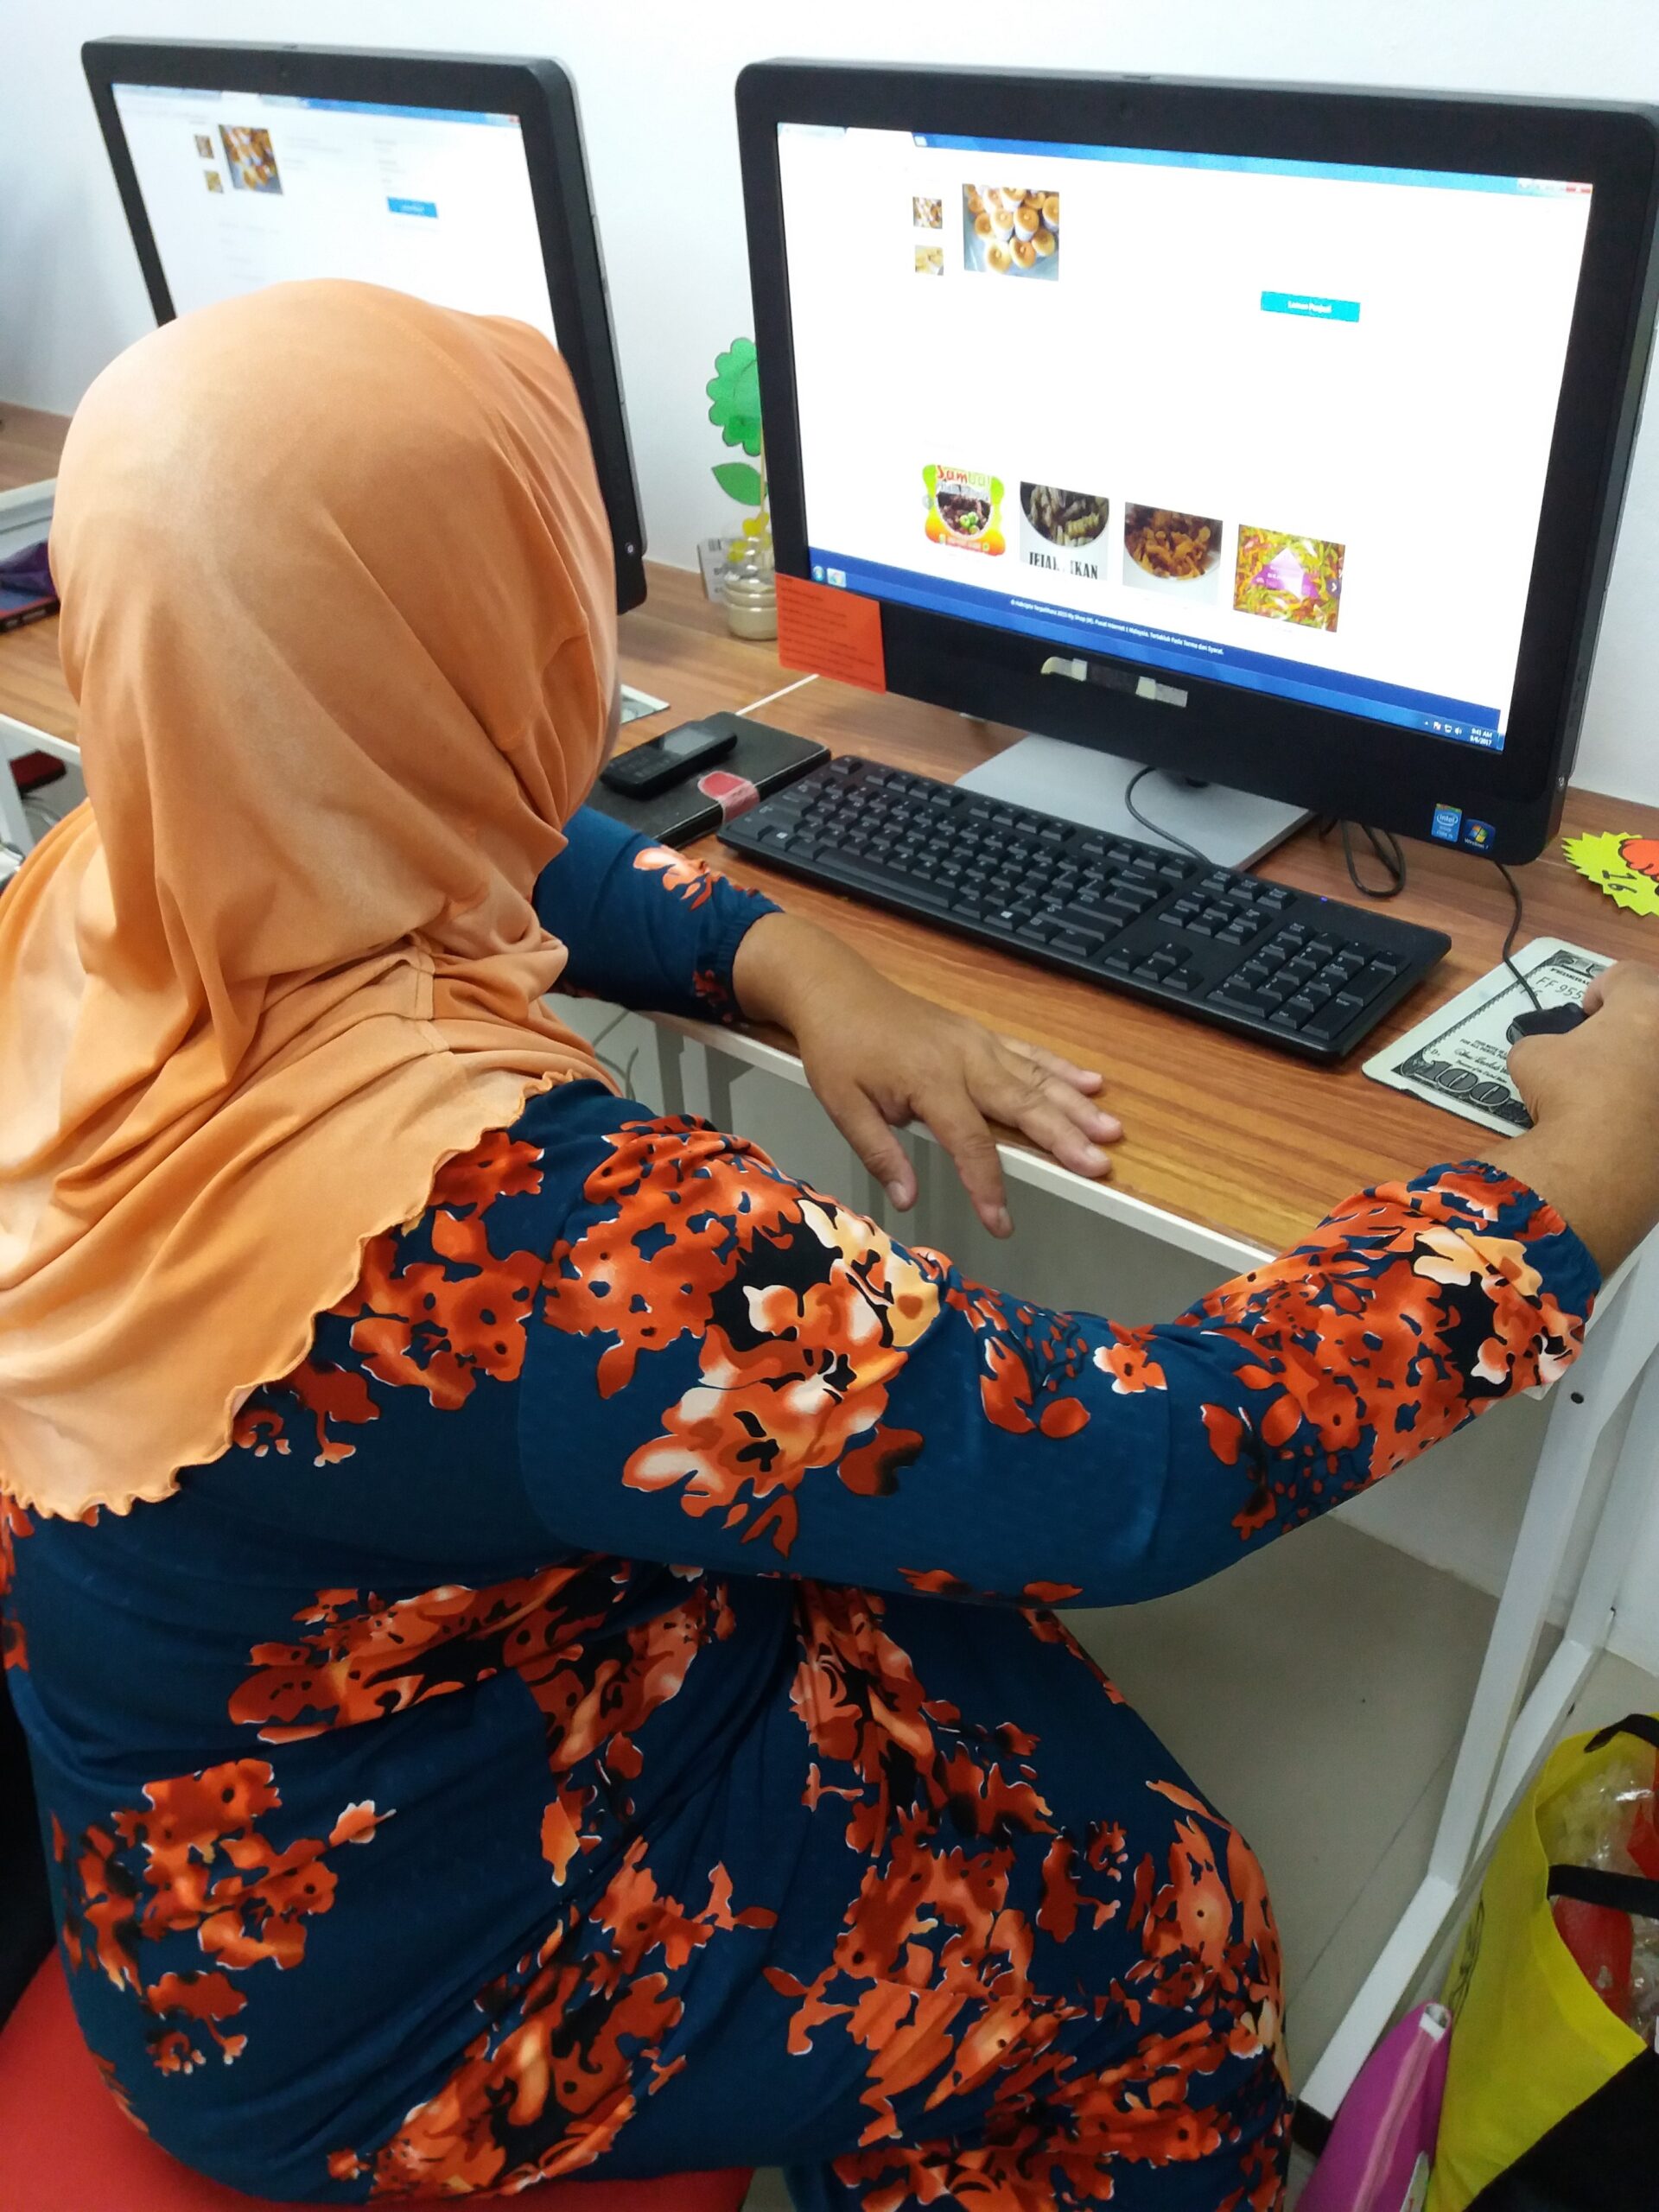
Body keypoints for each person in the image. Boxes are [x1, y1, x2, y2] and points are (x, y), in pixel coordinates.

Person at [0, 281, 1653, 2212]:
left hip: (239, 1855)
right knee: (1167, 1921)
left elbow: (479, 837)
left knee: (965, 1653)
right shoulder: (555, 1241)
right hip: (413, 1999)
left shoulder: (115, 882)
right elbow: (1145, 1465)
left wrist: (787, 955)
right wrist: (1580, 1181)